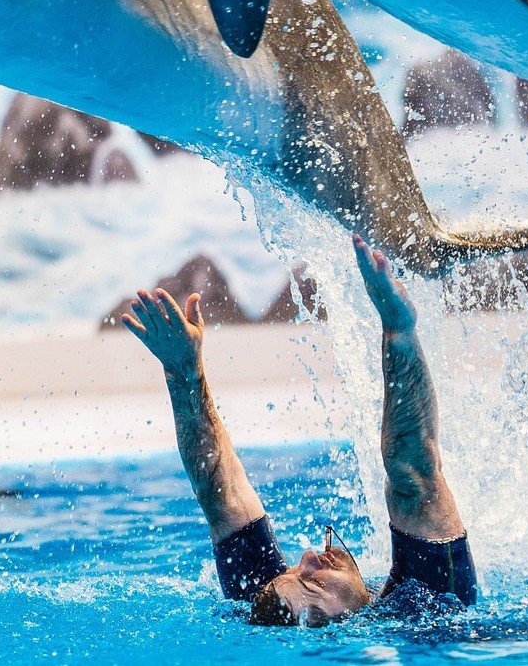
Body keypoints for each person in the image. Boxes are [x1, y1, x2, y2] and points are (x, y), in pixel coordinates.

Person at [121, 234, 478, 626]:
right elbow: (414, 471)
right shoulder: (428, 611)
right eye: (312, 585)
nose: (306, 559)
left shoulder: (267, 597)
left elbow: (218, 491)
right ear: (324, 627)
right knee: (411, 485)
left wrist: (182, 370)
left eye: (294, 572)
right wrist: (399, 331)